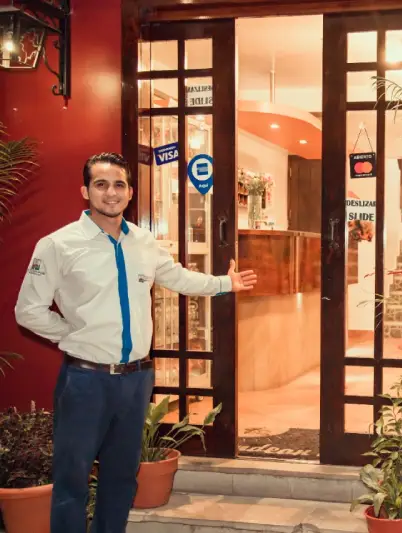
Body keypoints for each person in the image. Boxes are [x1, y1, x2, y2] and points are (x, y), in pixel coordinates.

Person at [14, 152, 257, 533]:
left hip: (136, 380)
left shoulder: (143, 242)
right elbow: (28, 310)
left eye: (119, 185)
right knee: (72, 479)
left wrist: (226, 283)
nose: (111, 193)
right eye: (101, 184)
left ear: (129, 192)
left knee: (122, 477)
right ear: (85, 191)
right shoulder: (58, 245)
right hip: (85, 380)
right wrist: (74, 336)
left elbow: (178, 277)